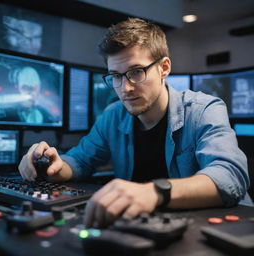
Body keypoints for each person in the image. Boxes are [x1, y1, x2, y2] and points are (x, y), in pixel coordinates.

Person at [18, 18, 250, 228]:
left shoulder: (204, 110)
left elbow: (230, 176)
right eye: (116, 76)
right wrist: (51, 164)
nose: (125, 88)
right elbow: (79, 160)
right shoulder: (113, 115)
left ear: (164, 68)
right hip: (147, 229)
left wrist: (154, 192)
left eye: (136, 72)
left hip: (216, 231)